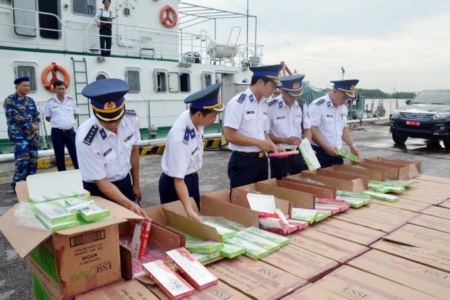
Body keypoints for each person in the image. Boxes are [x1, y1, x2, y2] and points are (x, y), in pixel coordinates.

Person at [75, 78, 146, 217]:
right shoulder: (86, 138)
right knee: (108, 229)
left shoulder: (130, 120)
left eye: (116, 118)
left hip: (124, 181)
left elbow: (133, 151)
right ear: (95, 112)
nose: (113, 124)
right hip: (98, 190)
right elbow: (101, 181)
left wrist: (135, 184)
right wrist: (130, 205)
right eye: (106, 120)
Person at [159, 82, 223, 221]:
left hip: (191, 178)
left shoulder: (195, 118)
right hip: (175, 185)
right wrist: (188, 209)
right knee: (181, 223)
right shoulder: (180, 138)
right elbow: (178, 179)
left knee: (195, 222)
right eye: (212, 117)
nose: (214, 120)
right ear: (199, 114)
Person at [224, 64, 284, 189]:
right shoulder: (238, 102)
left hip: (261, 161)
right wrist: (257, 142)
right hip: (243, 161)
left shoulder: (264, 104)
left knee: (260, 199)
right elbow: (229, 135)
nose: (274, 90)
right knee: (242, 202)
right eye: (272, 86)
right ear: (260, 82)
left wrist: (274, 147)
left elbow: (263, 133)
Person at [267, 74, 312, 179]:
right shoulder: (270, 107)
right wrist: (284, 140)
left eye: (297, 94)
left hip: (299, 152)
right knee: (280, 184)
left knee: (300, 182)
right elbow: (265, 134)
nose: (295, 98)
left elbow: (307, 129)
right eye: (292, 95)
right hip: (280, 153)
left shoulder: (301, 105)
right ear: (283, 91)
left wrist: (306, 144)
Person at [308, 79, 360, 168]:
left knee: (339, 179)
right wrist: (325, 147)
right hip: (320, 153)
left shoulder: (343, 108)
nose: (345, 101)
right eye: (344, 97)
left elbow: (343, 128)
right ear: (335, 91)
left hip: (337, 152)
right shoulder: (317, 106)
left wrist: (352, 145)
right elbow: (311, 129)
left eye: (347, 98)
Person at [3, 76, 40, 192]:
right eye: (24, 85)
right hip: (19, 135)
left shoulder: (30, 101)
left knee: (33, 160)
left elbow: (36, 115)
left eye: (28, 86)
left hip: (32, 135)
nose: (27, 88)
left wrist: (35, 125)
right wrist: (29, 126)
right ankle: (18, 186)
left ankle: (31, 185)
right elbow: (14, 115)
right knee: (22, 161)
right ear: (17, 86)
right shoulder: (10, 100)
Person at [43, 80, 79, 171]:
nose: (61, 91)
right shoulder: (50, 102)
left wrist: (67, 122)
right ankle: (62, 174)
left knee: (75, 153)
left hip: (70, 132)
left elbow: (75, 114)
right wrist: (59, 123)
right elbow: (47, 117)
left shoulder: (71, 101)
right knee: (59, 155)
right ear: (54, 89)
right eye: (59, 89)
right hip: (57, 132)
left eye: (63, 88)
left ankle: (79, 172)